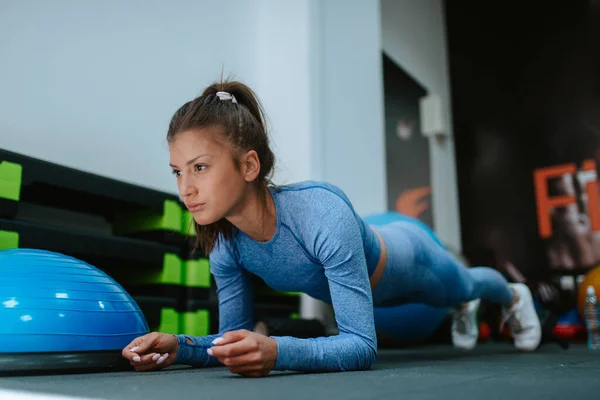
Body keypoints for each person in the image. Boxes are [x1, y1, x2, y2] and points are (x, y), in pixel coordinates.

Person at [121, 80, 542, 377]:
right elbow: (235, 339)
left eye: (199, 167)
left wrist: (278, 351)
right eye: (178, 171)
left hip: (408, 262)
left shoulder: (320, 213)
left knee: (466, 286)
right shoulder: (226, 246)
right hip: (371, 289)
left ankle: (512, 295)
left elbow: (361, 345)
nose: (185, 188)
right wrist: (181, 347)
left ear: (249, 165)